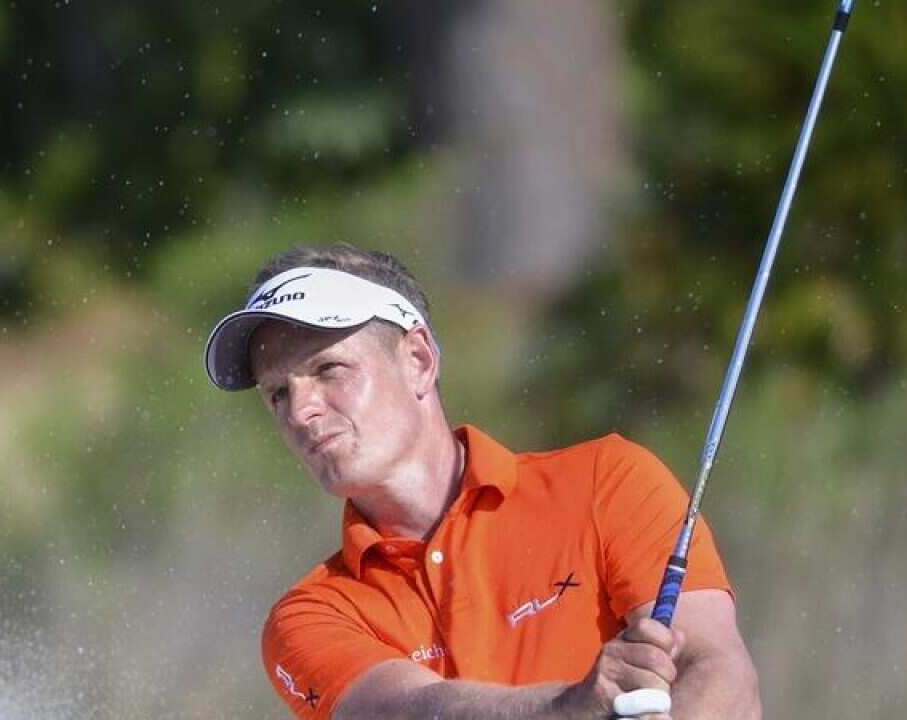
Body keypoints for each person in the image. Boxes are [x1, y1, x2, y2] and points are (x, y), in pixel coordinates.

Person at [203, 244, 761, 720]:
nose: (301, 412)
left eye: (328, 370)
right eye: (278, 393)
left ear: (419, 360)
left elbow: (716, 670)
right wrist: (568, 707)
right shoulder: (311, 614)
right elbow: (410, 712)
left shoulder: (608, 480)